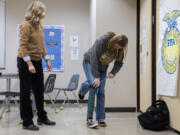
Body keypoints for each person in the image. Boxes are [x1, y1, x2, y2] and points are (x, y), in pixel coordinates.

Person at [17, 1, 55, 131]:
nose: (44, 15)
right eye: (42, 12)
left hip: (37, 61)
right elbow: (22, 47)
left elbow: (42, 46)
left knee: (39, 91)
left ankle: (42, 117)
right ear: (36, 12)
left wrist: (48, 60)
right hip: (25, 61)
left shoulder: (40, 26)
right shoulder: (26, 25)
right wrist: (29, 63)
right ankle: (27, 122)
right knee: (25, 92)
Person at [79, 32, 128, 128]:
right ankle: (89, 119)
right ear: (114, 41)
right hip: (89, 62)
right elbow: (93, 58)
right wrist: (96, 77)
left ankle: (100, 119)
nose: (117, 49)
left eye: (120, 48)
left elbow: (119, 62)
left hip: (102, 68)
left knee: (101, 91)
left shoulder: (120, 49)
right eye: (117, 46)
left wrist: (113, 72)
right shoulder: (102, 41)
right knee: (93, 86)